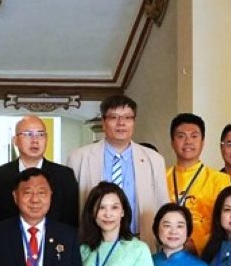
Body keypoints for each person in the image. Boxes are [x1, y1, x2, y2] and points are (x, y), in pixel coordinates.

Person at [66, 95, 168, 243]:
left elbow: (162, 206)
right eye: (114, 117)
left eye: (127, 117)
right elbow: (71, 210)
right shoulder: (79, 158)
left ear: (134, 122)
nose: (121, 123)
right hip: (94, 243)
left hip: (140, 242)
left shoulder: (154, 160)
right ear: (103, 122)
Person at [0, 115, 79, 227]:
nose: (35, 140)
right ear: (15, 140)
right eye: (28, 134)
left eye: (41, 134)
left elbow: (71, 221)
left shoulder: (65, 176)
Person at [166, 114, 231, 253]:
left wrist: (196, 243)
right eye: (181, 136)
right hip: (166, 250)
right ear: (172, 142)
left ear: (203, 142)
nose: (188, 141)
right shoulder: (160, 177)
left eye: (194, 136)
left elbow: (226, 222)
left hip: (207, 254)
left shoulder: (220, 180)